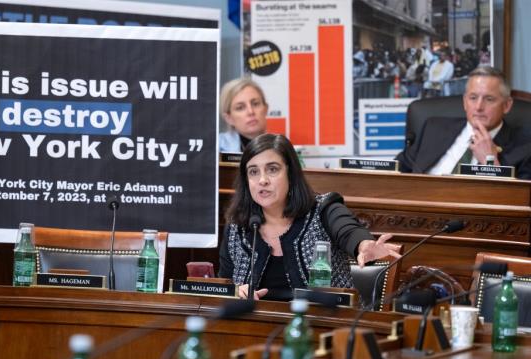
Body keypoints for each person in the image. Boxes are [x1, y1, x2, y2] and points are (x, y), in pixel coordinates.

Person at [219, 134, 401, 300]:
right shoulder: (238, 226)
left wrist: (363, 245)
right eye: (253, 171)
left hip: (325, 326)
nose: (262, 180)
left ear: (290, 174)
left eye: (272, 169)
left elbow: (348, 230)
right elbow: (225, 285)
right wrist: (236, 293)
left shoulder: (323, 209)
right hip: (256, 329)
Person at [396, 66, 531, 177]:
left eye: (489, 99)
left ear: (507, 105)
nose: (479, 107)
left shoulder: (524, 149)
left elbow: (519, 203)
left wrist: (489, 161)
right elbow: (396, 170)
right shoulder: (434, 128)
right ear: (465, 102)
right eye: (473, 98)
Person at [219, 77, 268, 152]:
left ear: (265, 109)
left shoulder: (281, 148)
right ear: (229, 118)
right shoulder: (216, 147)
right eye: (240, 107)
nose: (251, 112)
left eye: (255, 104)